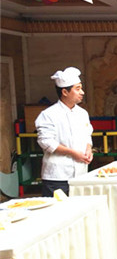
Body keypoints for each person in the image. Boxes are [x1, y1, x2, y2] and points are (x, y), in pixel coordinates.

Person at [35, 67, 93, 197]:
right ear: (65, 92)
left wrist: (88, 149)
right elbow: (46, 142)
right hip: (57, 176)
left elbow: (87, 134)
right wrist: (72, 153)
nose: (82, 92)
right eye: (77, 89)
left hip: (81, 174)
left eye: (81, 88)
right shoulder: (48, 114)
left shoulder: (82, 113)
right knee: (56, 208)